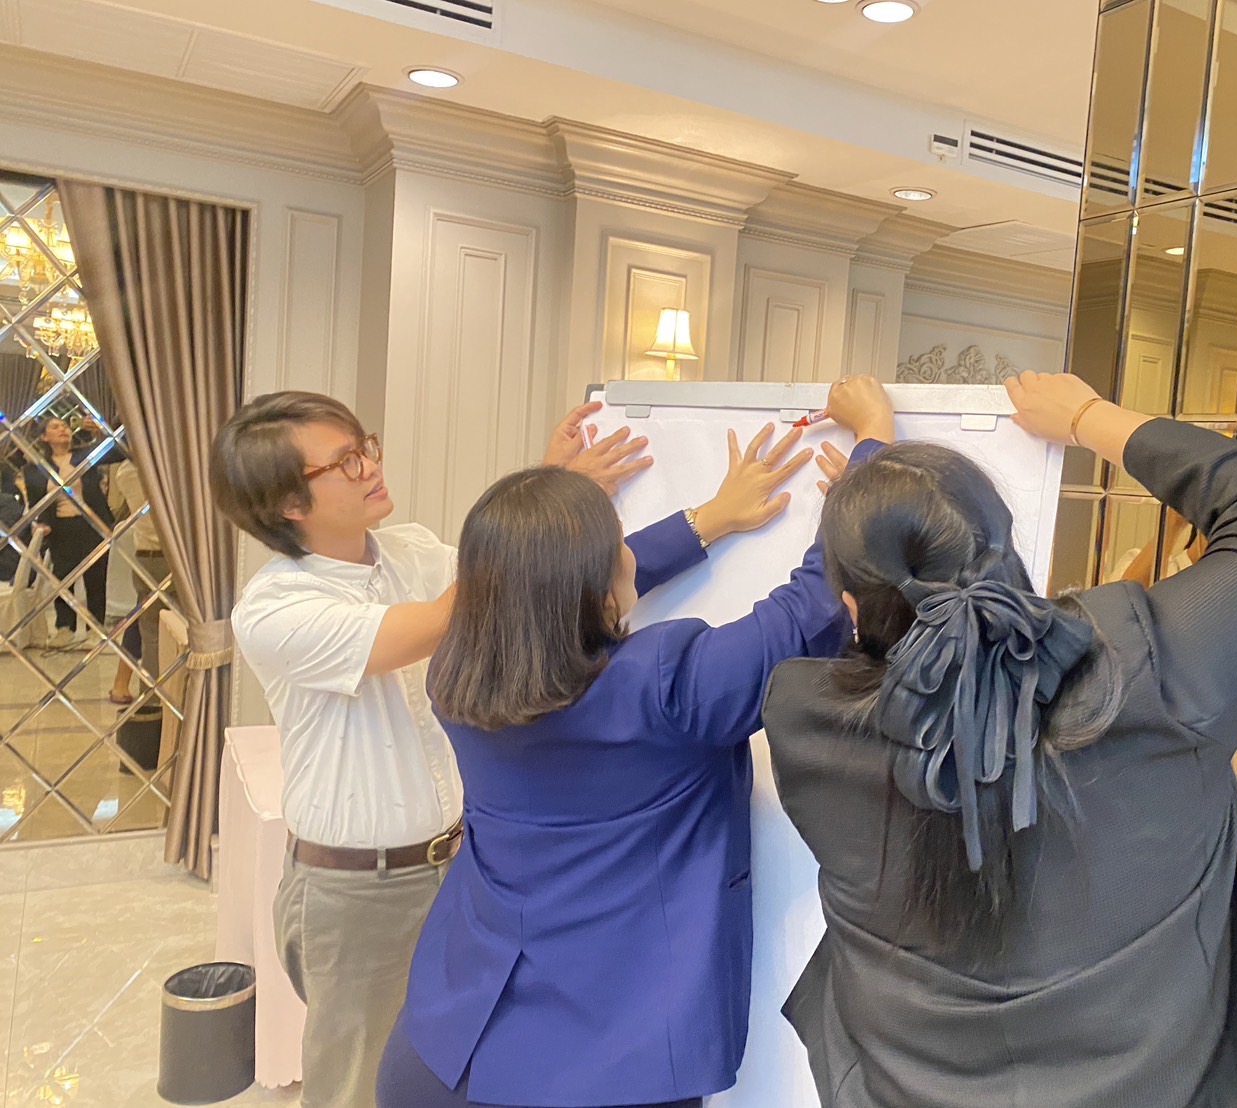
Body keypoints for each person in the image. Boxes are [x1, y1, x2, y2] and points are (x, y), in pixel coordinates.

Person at [761, 370, 1237, 1108]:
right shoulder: (1155, 674)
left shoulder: (804, 721)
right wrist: (1087, 417)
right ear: (1008, 550)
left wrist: (873, 493)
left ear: (849, 603)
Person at [375, 377, 897, 1108]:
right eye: (616, 544)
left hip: (446, 1045)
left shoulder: (457, 676)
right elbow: (811, 610)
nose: (628, 551)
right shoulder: (664, 687)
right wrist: (872, 448)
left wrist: (709, 519)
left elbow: (542, 589)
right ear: (598, 585)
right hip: (605, 1064)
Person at [212, 391, 652, 1108]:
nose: (369, 467)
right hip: (360, 892)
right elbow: (456, 610)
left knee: (453, 1068)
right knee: (355, 1088)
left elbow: (525, 584)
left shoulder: (411, 550)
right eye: (344, 462)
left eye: (366, 447)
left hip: (460, 863)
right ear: (289, 504)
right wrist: (553, 497)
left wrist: (702, 521)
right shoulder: (275, 608)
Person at [21, 415, 121, 647]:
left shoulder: (84, 455)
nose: (63, 429)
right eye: (55, 427)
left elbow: (119, 451)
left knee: (96, 577)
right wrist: (41, 524)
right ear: (44, 437)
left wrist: (100, 431)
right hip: (61, 528)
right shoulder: (35, 469)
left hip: (92, 525)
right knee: (62, 578)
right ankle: (64, 627)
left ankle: (95, 629)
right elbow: (37, 504)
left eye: (65, 426)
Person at [106, 457, 168, 705]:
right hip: (171, 558)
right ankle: (154, 699)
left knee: (146, 623)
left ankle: (133, 689)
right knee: (151, 628)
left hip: (147, 556)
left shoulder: (125, 471)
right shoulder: (162, 466)